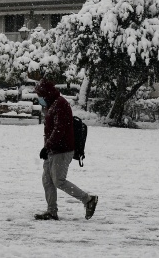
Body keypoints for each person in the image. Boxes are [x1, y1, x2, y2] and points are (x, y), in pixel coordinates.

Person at [33, 79, 98, 220]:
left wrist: (47, 146)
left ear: (46, 93)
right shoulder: (51, 104)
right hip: (52, 149)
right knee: (47, 180)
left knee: (59, 181)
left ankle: (88, 199)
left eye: (40, 95)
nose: (39, 98)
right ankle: (52, 211)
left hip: (62, 150)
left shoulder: (60, 104)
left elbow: (59, 129)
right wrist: (47, 148)